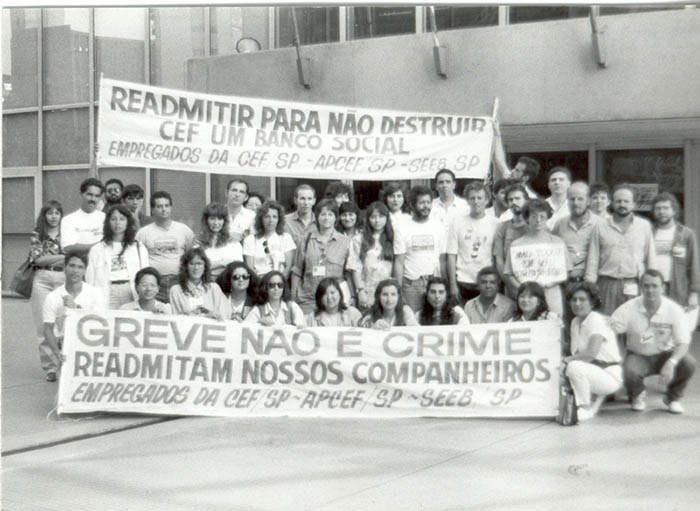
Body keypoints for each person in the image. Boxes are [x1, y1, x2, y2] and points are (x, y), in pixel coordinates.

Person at [610, 270, 696, 414]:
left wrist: (671, 362)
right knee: (629, 370)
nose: (650, 290)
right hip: (638, 355)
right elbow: (609, 329)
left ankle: (672, 398)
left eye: (655, 286)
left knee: (689, 363)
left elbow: (683, 342)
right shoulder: (628, 308)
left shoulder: (674, 310)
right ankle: (637, 394)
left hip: (665, 354)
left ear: (663, 288)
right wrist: (614, 359)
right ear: (640, 287)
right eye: (646, 286)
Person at [585, 184, 657, 315]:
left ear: (633, 204)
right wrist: (590, 284)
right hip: (607, 284)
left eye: (626, 201)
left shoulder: (644, 226)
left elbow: (650, 257)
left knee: (633, 321)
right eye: (618, 201)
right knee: (606, 321)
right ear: (612, 203)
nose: (622, 204)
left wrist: (652, 283)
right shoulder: (600, 226)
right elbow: (593, 257)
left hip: (634, 283)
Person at [563, 282, 622, 421]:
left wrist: (565, 361)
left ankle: (585, 406)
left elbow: (590, 354)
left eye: (582, 299)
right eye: (574, 300)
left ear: (592, 302)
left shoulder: (596, 319)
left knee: (573, 367)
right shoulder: (575, 322)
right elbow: (576, 352)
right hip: (593, 371)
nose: (577, 303)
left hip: (609, 374)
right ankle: (593, 398)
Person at [43, 251, 105, 381]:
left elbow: (99, 324)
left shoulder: (95, 293)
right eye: (72, 265)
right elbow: (48, 328)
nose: (75, 270)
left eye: (80, 267)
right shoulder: (53, 297)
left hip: (90, 345)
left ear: (85, 271)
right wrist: (57, 353)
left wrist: (76, 308)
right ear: (64, 268)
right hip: (65, 345)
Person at [504, 199, 570, 316]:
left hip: (551, 293)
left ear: (548, 217)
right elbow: (508, 274)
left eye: (542, 216)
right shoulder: (517, 245)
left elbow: (566, 271)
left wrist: (550, 283)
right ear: (527, 218)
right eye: (534, 216)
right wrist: (524, 288)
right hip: (527, 296)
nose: (538, 220)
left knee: (553, 322)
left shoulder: (557, 242)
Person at [291, 199, 351, 314]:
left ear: (336, 218)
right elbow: (297, 271)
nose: (326, 218)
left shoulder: (345, 242)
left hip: (334, 301)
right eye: (323, 214)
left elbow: (348, 273)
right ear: (317, 217)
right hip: (308, 300)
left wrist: (351, 297)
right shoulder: (306, 240)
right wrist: (294, 297)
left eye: (330, 214)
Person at [393, 185, 447, 312]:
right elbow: (399, 262)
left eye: (428, 202)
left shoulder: (438, 227)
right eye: (421, 203)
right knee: (411, 319)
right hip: (411, 284)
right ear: (412, 205)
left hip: (434, 283)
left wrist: (445, 284)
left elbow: (442, 259)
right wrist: (398, 290)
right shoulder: (402, 227)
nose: (426, 206)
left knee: (434, 318)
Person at [28, 201, 66, 381]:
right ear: (44, 215)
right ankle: (50, 367)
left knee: (64, 322)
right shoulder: (37, 235)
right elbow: (37, 260)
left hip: (63, 278)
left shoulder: (67, 233)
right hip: (42, 279)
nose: (54, 216)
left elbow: (70, 258)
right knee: (44, 324)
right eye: (50, 213)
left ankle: (66, 365)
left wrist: (49, 257)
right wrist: (61, 256)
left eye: (57, 213)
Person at [136, 191, 195, 302]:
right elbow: (137, 261)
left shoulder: (184, 230)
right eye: (159, 206)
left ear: (171, 207)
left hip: (180, 281)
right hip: (155, 283)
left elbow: (191, 257)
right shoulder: (143, 233)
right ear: (152, 210)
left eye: (167, 206)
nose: (164, 209)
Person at [86, 204, 149, 308]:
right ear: (108, 222)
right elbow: (90, 279)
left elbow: (145, 275)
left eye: (122, 219)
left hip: (131, 290)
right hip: (106, 291)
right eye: (113, 219)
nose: (117, 223)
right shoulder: (97, 249)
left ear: (128, 222)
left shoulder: (139, 247)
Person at [447, 182, 500, 304]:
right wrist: (452, 284)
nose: (476, 201)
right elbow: (451, 255)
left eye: (479, 198)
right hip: (463, 281)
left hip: (487, 281)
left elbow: (498, 256)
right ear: (467, 200)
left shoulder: (496, 224)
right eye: (472, 198)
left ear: (487, 200)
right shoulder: (457, 222)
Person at [651, 192, 700, 313]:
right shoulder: (648, 232)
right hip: (653, 287)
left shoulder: (686, 234)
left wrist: (694, 293)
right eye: (658, 208)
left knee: (677, 320)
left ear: (674, 210)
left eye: (666, 208)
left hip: (678, 288)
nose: (662, 212)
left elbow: (694, 265)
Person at [552, 182, 602, 283]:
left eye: (580, 199)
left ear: (588, 201)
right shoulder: (560, 224)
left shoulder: (600, 224)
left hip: (592, 281)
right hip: (565, 281)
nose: (575, 203)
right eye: (572, 199)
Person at [348, 201, 394, 311]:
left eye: (381, 216)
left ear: (387, 218)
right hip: (367, 290)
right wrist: (360, 291)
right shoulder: (358, 239)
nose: (377, 220)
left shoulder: (393, 238)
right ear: (368, 219)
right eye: (373, 217)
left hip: (389, 292)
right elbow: (355, 267)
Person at [168, 247, 230, 320]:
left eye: (199, 263)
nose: (196, 268)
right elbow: (176, 318)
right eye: (192, 264)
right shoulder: (176, 290)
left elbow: (224, 315)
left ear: (205, 267)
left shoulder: (214, 288)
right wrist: (203, 316)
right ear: (185, 267)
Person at [243, 200, 296, 280]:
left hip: (280, 282)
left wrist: (279, 282)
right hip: (258, 282)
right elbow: (250, 268)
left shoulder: (286, 238)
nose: (271, 220)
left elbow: (288, 267)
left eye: (274, 217)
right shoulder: (250, 240)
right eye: (267, 216)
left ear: (279, 219)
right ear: (261, 219)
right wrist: (262, 284)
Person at [493, 184, 529, 298]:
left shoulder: (535, 226)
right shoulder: (502, 227)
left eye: (517, 198)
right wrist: (511, 283)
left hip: (533, 284)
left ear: (526, 201)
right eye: (510, 200)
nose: (514, 202)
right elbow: (499, 260)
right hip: (510, 287)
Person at [195, 202, 243, 280]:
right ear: (206, 221)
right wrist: (222, 263)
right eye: (212, 219)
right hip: (206, 280)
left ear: (225, 221)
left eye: (220, 219)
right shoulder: (199, 242)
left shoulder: (233, 242)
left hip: (227, 281)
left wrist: (211, 266)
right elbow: (197, 267)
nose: (216, 223)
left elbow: (238, 267)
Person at [60, 177, 105, 257]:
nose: (93, 199)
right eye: (89, 194)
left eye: (97, 196)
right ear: (81, 194)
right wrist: (98, 245)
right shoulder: (68, 220)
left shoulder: (106, 218)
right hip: (79, 262)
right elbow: (68, 248)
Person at [430, 168, 469, 233]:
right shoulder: (430, 206)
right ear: (436, 186)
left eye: (448, 182)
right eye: (441, 182)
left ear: (454, 185)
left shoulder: (465, 206)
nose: (444, 185)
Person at [284, 184, 318, 250]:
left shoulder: (320, 222)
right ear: (295, 200)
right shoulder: (285, 222)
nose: (306, 203)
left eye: (309, 199)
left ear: (314, 201)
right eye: (302, 198)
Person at [225, 179, 256, 243]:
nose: (237, 194)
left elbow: (255, 239)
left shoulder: (252, 216)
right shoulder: (217, 213)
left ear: (246, 197)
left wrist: (241, 237)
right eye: (234, 190)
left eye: (241, 192)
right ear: (226, 193)